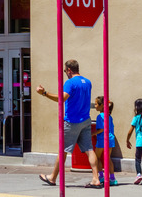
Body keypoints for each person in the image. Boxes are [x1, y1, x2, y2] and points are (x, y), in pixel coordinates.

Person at [36, 59, 101, 188]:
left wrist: (44, 93)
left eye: (65, 70)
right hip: (85, 120)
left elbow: (62, 98)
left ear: (69, 70)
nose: (65, 72)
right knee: (89, 149)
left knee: (63, 150)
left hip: (72, 121)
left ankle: (52, 178)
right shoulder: (87, 82)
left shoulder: (70, 83)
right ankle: (95, 178)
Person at [92, 96, 117, 186]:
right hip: (110, 139)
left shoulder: (100, 116)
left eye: (95, 104)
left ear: (102, 105)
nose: (95, 106)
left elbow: (101, 129)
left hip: (102, 139)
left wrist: (93, 134)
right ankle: (113, 178)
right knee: (108, 158)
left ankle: (101, 176)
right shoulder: (109, 115)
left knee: (97, 157)